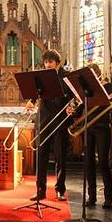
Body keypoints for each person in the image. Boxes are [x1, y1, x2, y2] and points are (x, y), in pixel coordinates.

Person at [30, 49, 73, 201]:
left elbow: (73, 95)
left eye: (51, 62)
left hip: (60, 120)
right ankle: (40, 190)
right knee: (41, 155)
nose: (48, 64)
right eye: (46, 62)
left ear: (57, 62)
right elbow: (35, 93)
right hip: (44, 119)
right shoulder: (41, 76)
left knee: (60, 156)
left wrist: (71, 106)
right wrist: (31, 101)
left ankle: (60, 189)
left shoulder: (65, 76)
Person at [85, 63, 112, 209]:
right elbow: (82, 107)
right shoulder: (86, 90)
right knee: (89, 163)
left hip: (103, 128)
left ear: (97, 73)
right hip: (88, 127)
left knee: (103, 162)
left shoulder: (107, 86)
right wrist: (74, 112)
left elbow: (108, 103)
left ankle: (109, 198)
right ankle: (92, 196)